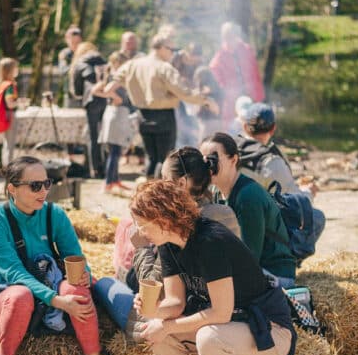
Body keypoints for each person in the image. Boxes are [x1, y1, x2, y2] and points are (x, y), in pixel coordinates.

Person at [130, 180, 297, 355]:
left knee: (209, 336)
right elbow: (177, 302)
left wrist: (168, 323)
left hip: (268, 332)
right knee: (161, 334)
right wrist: (155, 311)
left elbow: (220, 312)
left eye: (142, 224)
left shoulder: (210, 241)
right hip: (229, 326)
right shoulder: (168, 244)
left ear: (162, 218)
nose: (139, 232)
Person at [0, 156, 110, 355]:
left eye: (47, 183)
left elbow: (76, 257)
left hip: (51, 285)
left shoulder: (55, 214)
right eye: (35, 186)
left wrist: (83, 274)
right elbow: (14, 272)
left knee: (78, 290)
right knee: (20, 295)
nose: (44, 191)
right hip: (6, 295)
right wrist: (57, 300)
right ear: (12, 188)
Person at [93, 147, 241, 338]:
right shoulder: (224, 213)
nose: (159, 186)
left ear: (180, 183)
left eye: (164, 179)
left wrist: (142, 248)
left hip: (180, 320)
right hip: (212, 314)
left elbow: (152, 290)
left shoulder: (176, 227)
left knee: (105, 284)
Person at [106, 33, 217, 179]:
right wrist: (206, 100)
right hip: (164, 117)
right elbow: (184, 93)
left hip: (142, 116)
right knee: (163, 159)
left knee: (150, 158)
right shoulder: (164, 68)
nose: (173, 53)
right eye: (171, 49)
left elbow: (110, 86)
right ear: (162, 48)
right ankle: (158, 192)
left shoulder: (133, 64)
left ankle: (147, 191)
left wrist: (118, 97)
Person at [200, 133, 296, 288]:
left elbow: (248, 259)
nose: (207, 168)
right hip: (252, 267)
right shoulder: (216, 192)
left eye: (212, 160)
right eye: (203, 162)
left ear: (234, 160)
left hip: (274, 274)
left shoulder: (247, 197)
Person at [239, 103, 326, 242]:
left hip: (230, 223)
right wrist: (308, 192)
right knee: (317, 217)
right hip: (260, 229)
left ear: (245, 127)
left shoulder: (228, 151)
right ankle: (284, 262)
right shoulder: (272, 162)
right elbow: (296, 202)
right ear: (273, 129)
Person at [93, 51, 134, 193]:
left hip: (112, 113)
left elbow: (95, 90)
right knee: (115, 151)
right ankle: (108, 182)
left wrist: (108, 95)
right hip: (117, 113)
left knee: (114, 149)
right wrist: (116, 98)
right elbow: (101, 89)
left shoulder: (110, 76)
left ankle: (115, 179)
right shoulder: (117, 78)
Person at [210, 22, 265, 125]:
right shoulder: (220, 56)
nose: (231, 40)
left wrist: (259, 96)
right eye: (227, 37)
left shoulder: (246, 49)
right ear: (224, 38)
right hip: (232, 101)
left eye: (232, 36)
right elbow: (215, 73)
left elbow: (255, 73)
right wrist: (227, 91)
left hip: (251, 96)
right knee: (233, 129)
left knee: (253, 127)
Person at [69, 42, 108, 178]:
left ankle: (95, 169)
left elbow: (77, 88)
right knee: (106, 135)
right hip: (107, 98)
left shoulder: (80, 62)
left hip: (91, 101)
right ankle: (107, 167)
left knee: (93, 136)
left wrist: (81, 95)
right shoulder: (103, 60)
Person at [0, 57, 20, 162]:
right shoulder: (10, 86)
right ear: (10, 70)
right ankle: (9, 169)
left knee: (6, 143)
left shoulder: (0, 84)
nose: (18, 70)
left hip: (2, 115)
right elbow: (10, 103)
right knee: (10, 144)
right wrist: (20, 103)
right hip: (9, 116)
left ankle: (6, 165)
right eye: (16, 68)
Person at [58, 25, 82, 107]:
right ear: (67, 40)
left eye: (77, 42)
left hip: (85, 95)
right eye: (72, 42)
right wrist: (76, 65)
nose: (75, 45)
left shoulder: (85, 53)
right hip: (70, 95)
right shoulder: (64, 54)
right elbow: (63, 71)